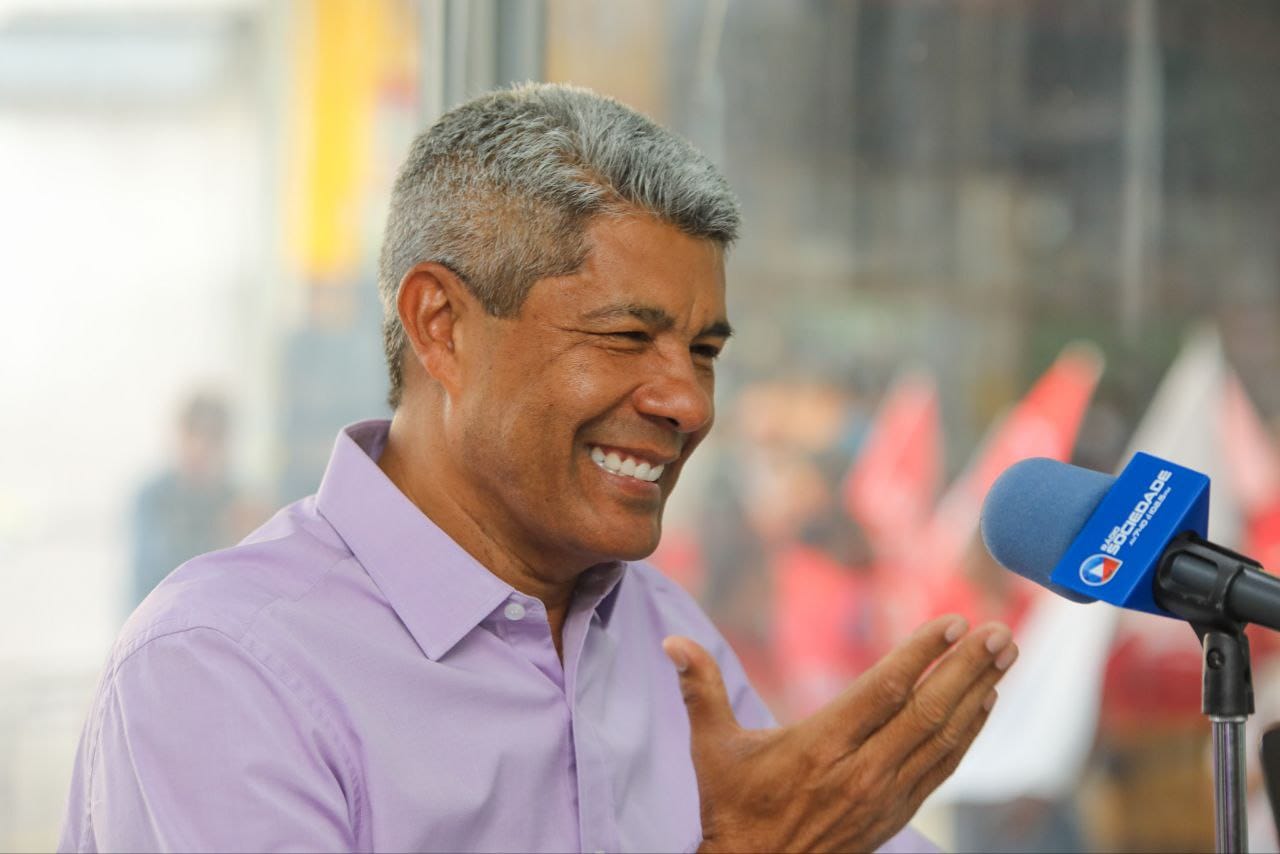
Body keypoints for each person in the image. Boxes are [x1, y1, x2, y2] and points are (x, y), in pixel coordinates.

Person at [59, 83, 1017, 853]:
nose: (688, 403)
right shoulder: (224, 667)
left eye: (704, 352)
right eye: (627, 336)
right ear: (441, 326)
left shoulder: (660, 630)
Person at [128, 391, 238, 610]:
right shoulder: (152, 497)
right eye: (194, 433)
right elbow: (155, 572)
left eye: (212, 436)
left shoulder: (235, 500)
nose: (201, 446)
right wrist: (223, 536)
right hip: (157, 620)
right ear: (179, 435)